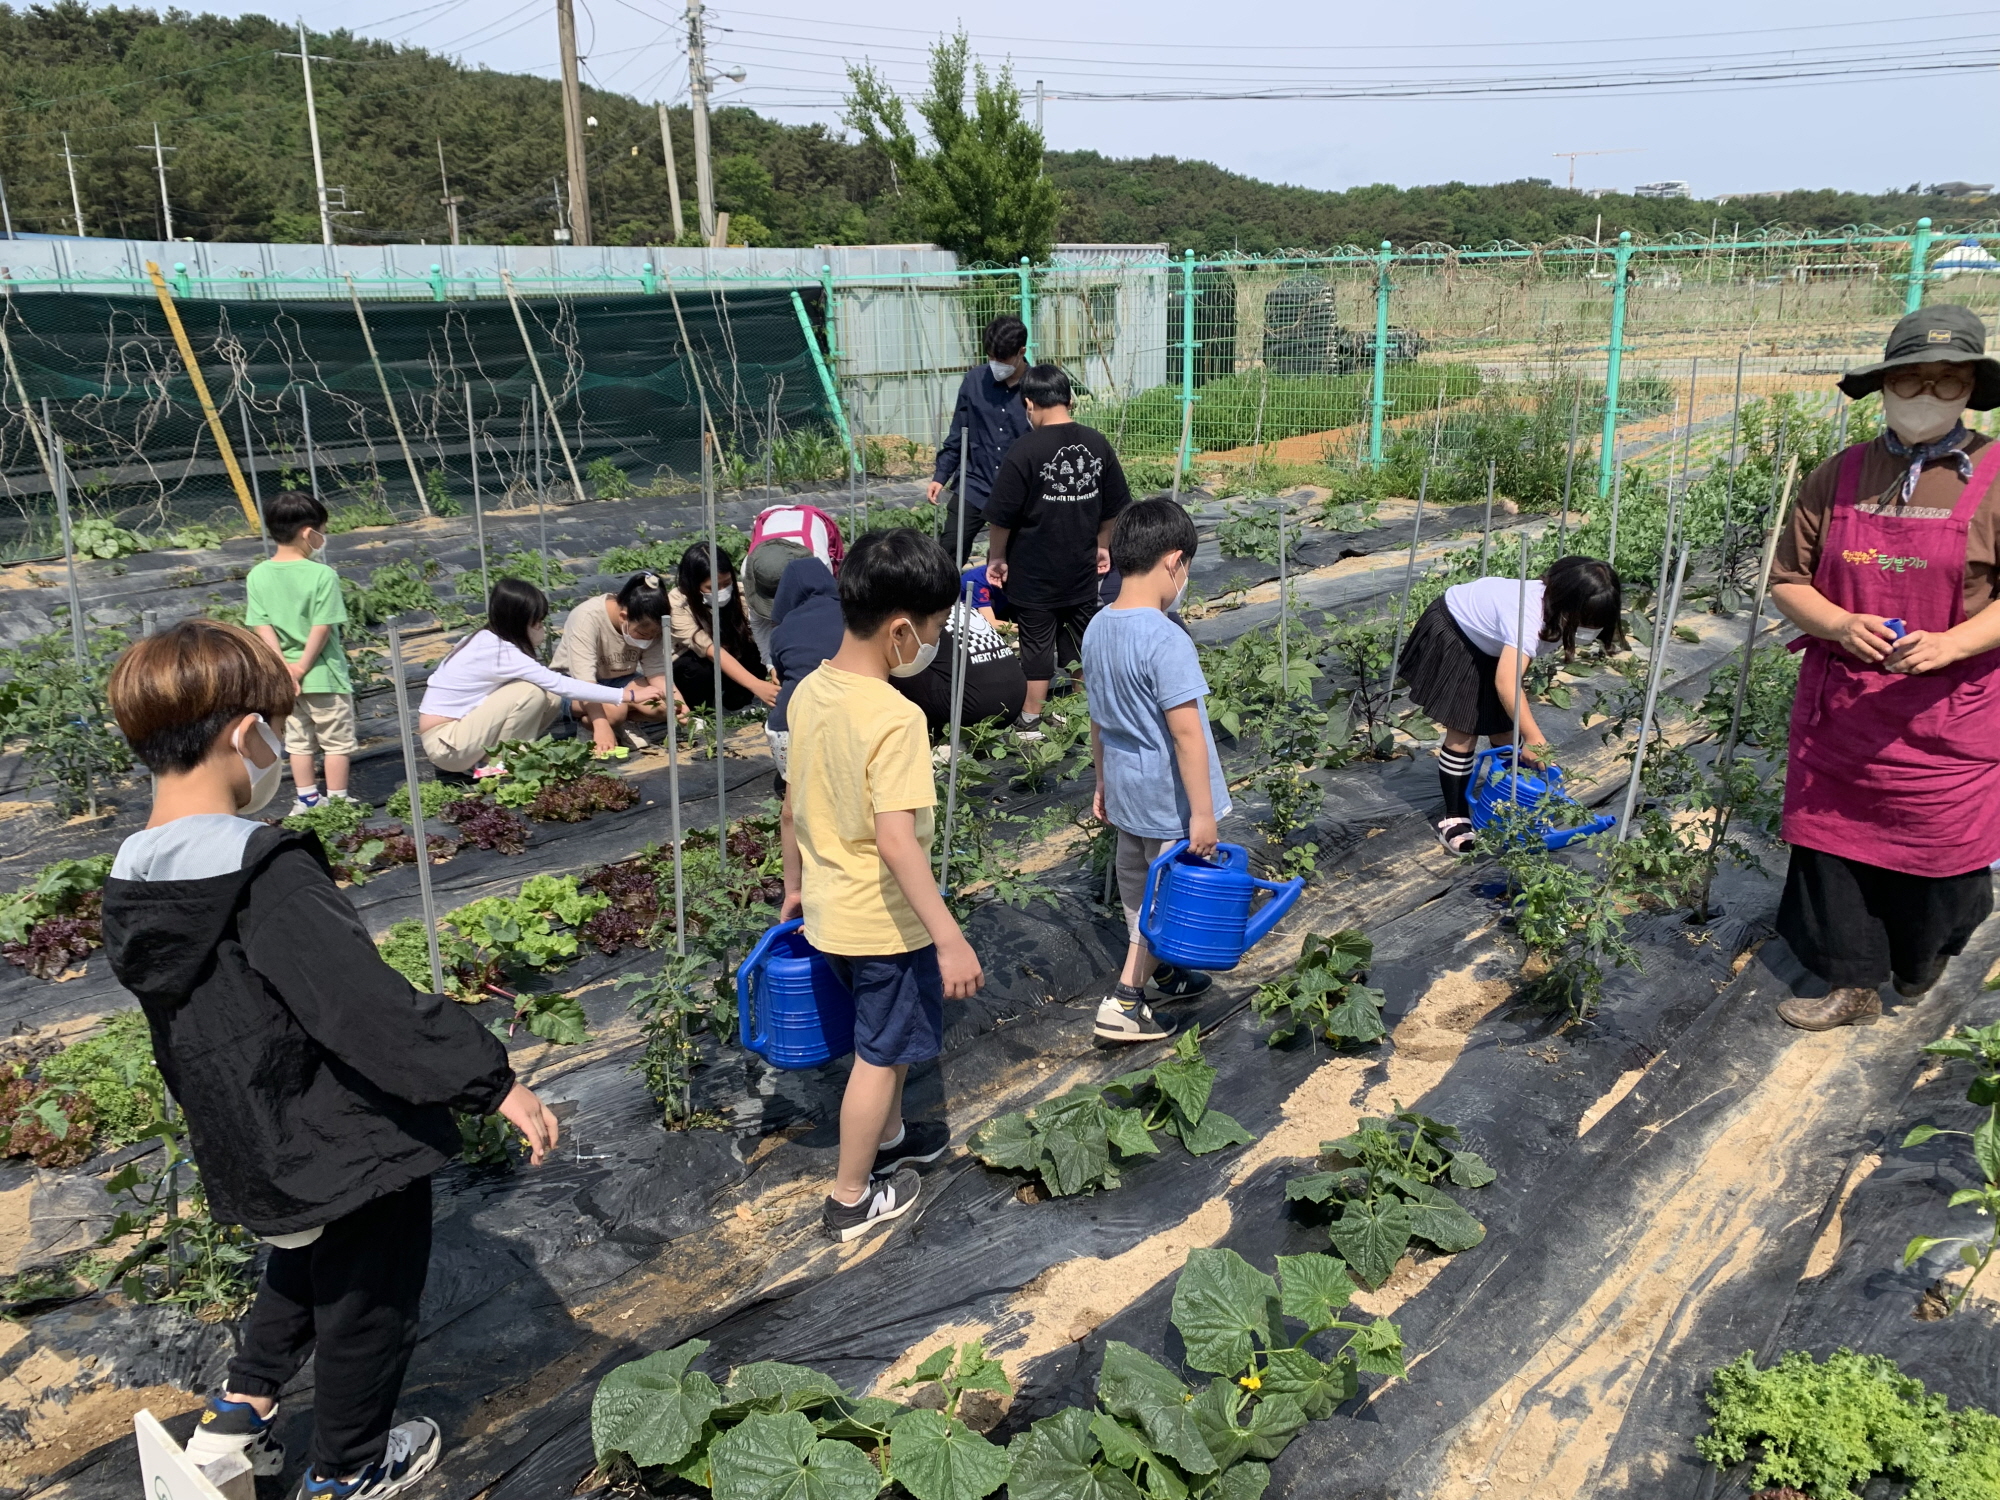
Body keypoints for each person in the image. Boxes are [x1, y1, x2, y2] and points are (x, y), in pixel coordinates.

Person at [98, 619, 561, 1500]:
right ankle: (349, 1468)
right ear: (246, 735)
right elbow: (362, 1006)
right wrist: (491, 1081)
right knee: (368, 1293)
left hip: (245, 1128)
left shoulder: (133, 873)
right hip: (334, 1125)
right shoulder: (260, 870)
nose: (279, 747)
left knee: (303, 1244)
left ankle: (242, 1407)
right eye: (276, 729)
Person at [1767, 303, 2000, 1030]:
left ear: (1970, 389)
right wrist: (1840, 624)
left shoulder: (1997, 477)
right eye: (1911, 380)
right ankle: (1852, 983)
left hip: (1951, 711)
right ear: (1884, 385)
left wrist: (1952, 644)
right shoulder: (1839, 475)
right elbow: (1787, 581)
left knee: (1941, 854)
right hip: (1846, 706)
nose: (1926, 395)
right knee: (1831, 849)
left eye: (1946, 380)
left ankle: (1923, 960)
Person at [779, 529, 982, 1242]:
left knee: (883, 1040)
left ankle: (891, 1138)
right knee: (879, 1054)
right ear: (900, 631)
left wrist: (793, 885)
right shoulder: (896, 719)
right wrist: (948, 937)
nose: (934, 641)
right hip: (883, 926)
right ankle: (850, 1198)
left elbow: (791, 805)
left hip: (830, 913)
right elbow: (897, 842)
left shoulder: (809, 692)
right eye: (934, 628)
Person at [1082, 498, 1230, 1043]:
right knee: (1165, 896)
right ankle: (1126, 1000)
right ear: (1173, 562)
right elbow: (1187, 735)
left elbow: (1098, 718)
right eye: (1186, 568)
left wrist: (1101, 781)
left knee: (1136, 884)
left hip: (1127, 791)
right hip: (1169, 802)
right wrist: (1203, 814)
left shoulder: (1097, 627)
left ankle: (1163, 970)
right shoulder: (1167, 638)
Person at [1397, 556, 1622, 854]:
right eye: (1584, 621)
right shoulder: (1527, 615)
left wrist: (1525, 736)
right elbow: (1506, 682)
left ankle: (1509, 802)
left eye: (1595, 623)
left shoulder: (1556, 611)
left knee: (1505, 730)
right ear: (1563, 601)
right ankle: (1455, 818)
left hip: (1491, 644)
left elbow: (1510, 679)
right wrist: (1535, 738)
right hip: (1457, 630)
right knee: (1464, 730)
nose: (1588, 629)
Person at [983, 364, 1133, 736]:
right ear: (1069, 400)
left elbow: (1002, 516)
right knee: (1080, 642)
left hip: (1033, 572)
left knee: (1036, 644)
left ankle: (1030, 718)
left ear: (1029, 404)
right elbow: (1114, 507)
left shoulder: (1025, 450)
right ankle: (1084, 716)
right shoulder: (1097, 444)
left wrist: (997, 557)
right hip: (1081, 569)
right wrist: (1102, 547)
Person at [419, 579, 664, 779]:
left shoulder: (487, 639)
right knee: (531, 691)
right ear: (518, 622)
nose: (540, 628)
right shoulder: (501, 651)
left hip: (458, 738)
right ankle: (502, 762)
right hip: (448, 745)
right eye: (536, 622)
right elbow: (561, 683)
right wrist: (628, 695)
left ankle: (497, 758)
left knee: (549, 697)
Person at [244, 493, 355, 816]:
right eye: (322, 530)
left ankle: (306, 800)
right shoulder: (322, 575)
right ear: (308, 533)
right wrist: (303, 667)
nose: (323, 537)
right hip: (324, 675)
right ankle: (338, 802)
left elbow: (262, 626)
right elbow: (322, 627)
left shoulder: (258, 575)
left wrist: (285, 669)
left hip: (285, 681)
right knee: (336, 742)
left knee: (298, 742)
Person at [928, 315, 1032, 564]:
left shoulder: (1037, 385)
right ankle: (946, 589)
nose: (996, 364)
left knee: (1017, 558)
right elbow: (958, 433)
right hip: (975, 483)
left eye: (1002, 359)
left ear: (1021, 352)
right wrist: (940, 475)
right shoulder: (974, 381)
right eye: (991, 357)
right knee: (949, 548)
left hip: (1021, 489)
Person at [549, 573, 679, 755]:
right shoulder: (587, 617)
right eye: (643, 634)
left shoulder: (654, 621)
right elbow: (585, 682)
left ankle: (624, 723)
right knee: (615, 711)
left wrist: (681, 707)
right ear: (624, 617)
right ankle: (590, 727)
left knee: (665, 706)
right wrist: (601, 726)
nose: (648, 639)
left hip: (620, 679)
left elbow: (657, 672)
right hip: (572, 684)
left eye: (653, 635)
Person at [888, 594, 1028, 738]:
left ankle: (910, 729)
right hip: (1015, 700)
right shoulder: (958, 606)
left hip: (974, 707)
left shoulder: (913, 613)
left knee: (889, 664)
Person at [669, 545, 777, 713]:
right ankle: (699, 710)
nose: (722, 591)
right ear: (693, 584)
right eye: (711, 587)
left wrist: (772, 667)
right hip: (699, 665)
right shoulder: (678, 604)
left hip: (732, 659)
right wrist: (756, 685)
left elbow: (764, 632)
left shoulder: (742, 594)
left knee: (756, 646)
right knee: (695, 668)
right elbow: (712, 651)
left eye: (727, 583)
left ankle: (737, 701)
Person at [766, 555, 845, 784]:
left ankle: (791, 785)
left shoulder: (783, 629)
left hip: (790, 726)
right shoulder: (854, 616)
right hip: (846, 722)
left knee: (800, 788)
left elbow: (781, 676)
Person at [744, 502, 844, 660]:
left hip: (811, 523)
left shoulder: (818, 565)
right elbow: (758, 622)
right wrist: (770, 662)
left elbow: (826, 615)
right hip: (774, 517)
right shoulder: (751, 569)